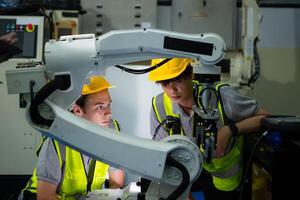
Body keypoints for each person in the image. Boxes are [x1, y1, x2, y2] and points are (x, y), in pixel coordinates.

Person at [148, 58, 269, 200]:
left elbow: (265, 117)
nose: (172, 90)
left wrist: (229, 130)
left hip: (225, 176)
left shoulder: (221, 96)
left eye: (178, 81)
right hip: (187, 174)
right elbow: (162, 154)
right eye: (165, 83)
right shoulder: (159, 106)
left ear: (191, 74)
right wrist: (182, 189)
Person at [19, 75, 125, 200]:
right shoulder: (57, 139)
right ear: (77, 111)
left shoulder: (113, 131)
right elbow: (45, 196)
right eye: (100, 107)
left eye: (108, 105)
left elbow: (116, 183)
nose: (109, 113)